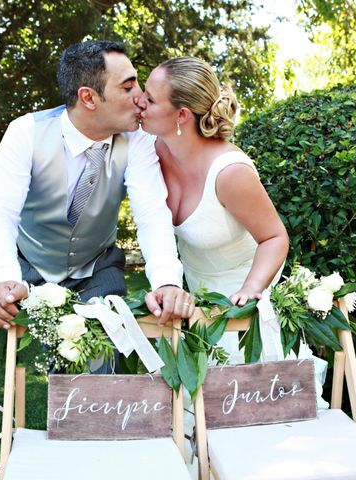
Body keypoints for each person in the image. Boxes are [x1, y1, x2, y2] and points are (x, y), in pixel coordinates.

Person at [0, 41, 195, 332]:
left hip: (97, 268)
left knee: (104, 363)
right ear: (89, 98)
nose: (142, 98)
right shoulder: (26, 132)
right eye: (128, 87)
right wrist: (2, 276)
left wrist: (166, 282)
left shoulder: (139, 141)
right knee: (57, 363)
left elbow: (152, 213)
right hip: (31, 265)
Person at [137, 56, 290, 360]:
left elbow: (275, 238)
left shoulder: (229, 172)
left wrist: (250, 291)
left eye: (150, 99)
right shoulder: (149, 150)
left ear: (181, 115)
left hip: (239, 302)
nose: (139, 101)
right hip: (194, 302)